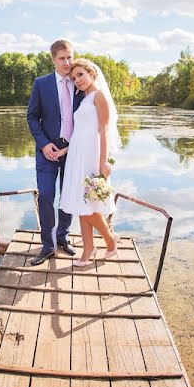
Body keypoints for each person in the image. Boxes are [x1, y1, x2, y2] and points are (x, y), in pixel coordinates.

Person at [57, 58, 120, 265]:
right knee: (81, 204)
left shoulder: (99, 96)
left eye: (81, 75)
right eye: (74, 78)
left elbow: (104, 130)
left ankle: (110, 240)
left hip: (92, 155)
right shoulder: (84, 99)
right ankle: (88, 249)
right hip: (77, 154)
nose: (77, 80)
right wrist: (66, 149)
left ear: (92, 73)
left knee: (90, 204)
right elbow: (80, 131)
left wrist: (103, 162)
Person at [26, 39, 83, 265]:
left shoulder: (80, 83)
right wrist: (43, 144)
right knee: (47, 195)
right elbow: (32, 116)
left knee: (68, 196)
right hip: (48, 152)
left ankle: (63, 237)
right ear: (53, 59)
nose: (67, 62)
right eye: (62, 58)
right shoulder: (41, 84)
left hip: (73, 151)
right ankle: (48, 246)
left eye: (70, 57)